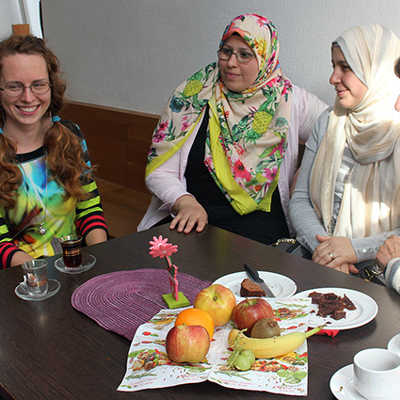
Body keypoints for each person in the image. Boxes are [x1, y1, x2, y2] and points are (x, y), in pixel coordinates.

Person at [138, 13, 327, 244]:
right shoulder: (193, 94)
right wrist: (183, 200)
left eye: (245, 55)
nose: (231, 62)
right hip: (195, 221)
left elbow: (333, 129)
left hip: (259, 232)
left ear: (266, 57)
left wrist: (306, 171)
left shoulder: (290, 100)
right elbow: (159, 170)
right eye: (226, 51)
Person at [289, 24, 400, 275]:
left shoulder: (397, 131)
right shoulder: (329, 121)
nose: (333, 78)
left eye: (345, 67)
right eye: (333, 66)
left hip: (384, 271)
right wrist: (326, 251)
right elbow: (300, 199)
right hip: (319, 259)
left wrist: (353, 249)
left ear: (374, 70)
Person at [0, 35, 108, 268]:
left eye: (38, 84)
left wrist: (100, 262)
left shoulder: (70, 134)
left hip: (74, 265)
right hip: (19, 278)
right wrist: (42, 277)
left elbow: (89, 209)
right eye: (14, 86)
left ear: (51, 86)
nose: (28, 97)